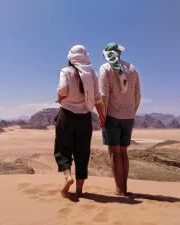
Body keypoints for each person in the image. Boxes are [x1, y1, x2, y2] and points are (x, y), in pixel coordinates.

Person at [54, 45, 105, 198]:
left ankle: (68, 176)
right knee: (82, 153)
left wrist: (61, 97)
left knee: (63, 149)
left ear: (71, 57)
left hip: (66, 116)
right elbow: (97, 98)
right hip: (85, 119)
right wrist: (102, 116)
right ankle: (79, 191)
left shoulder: (66, 71)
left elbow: (62, 89)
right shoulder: (92, 74)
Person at [99, 42, 141, 196]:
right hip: (128, 116)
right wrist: (132, 111)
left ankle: (119, 190)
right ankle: (125, 188)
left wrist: (102, 115)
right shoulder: (132, 68)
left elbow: (104, 95)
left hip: (112, 115)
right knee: (124, 153)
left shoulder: (105, 68)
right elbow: (138, 95)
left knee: (114, 153)